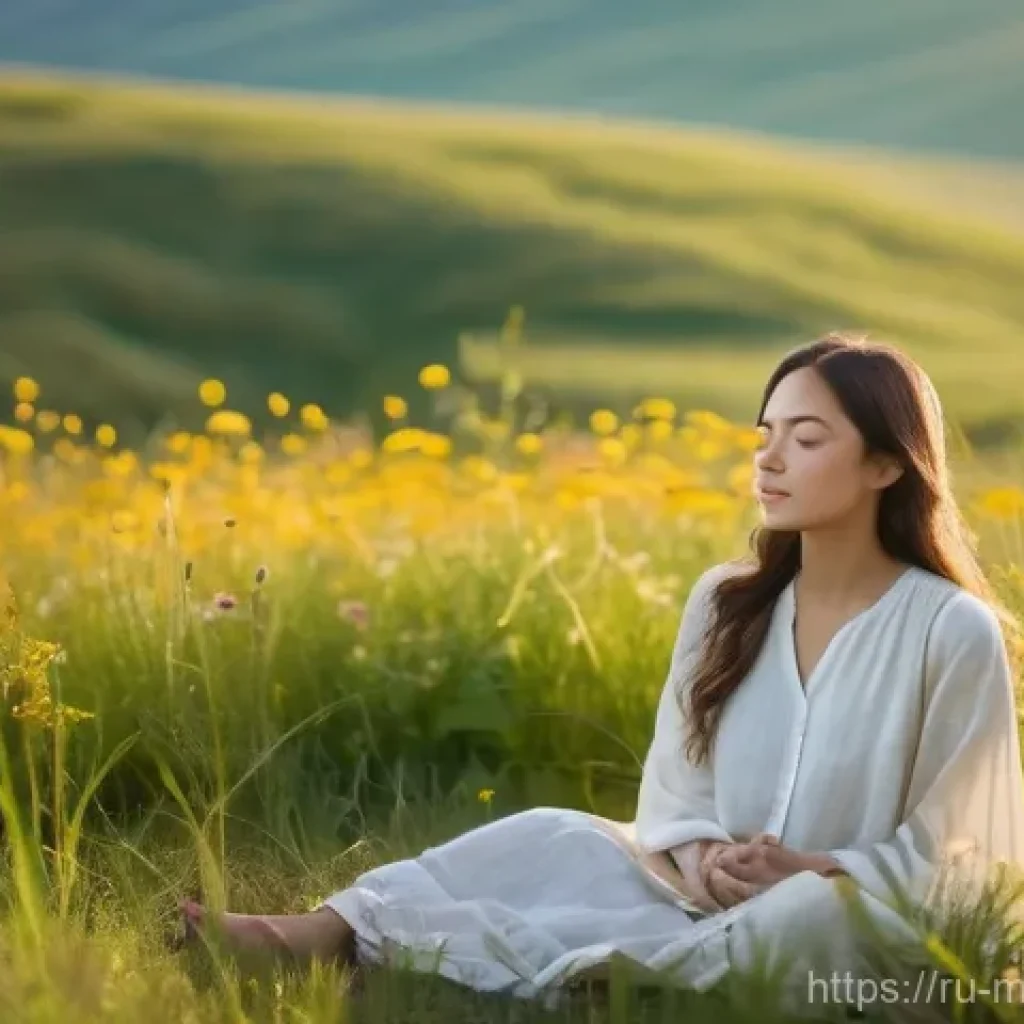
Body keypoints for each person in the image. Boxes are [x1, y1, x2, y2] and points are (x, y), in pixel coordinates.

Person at [180, 333, 1024, 1011]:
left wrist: (811, 871)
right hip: (699, 895)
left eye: (805, 440)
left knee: (809, 919)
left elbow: (967, 853)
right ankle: (315, 939)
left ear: (887, 466)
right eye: (763, 437)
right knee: (558, 834)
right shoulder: (726, 601)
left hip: (850, 920)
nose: (768, 461)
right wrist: (705, 860)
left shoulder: (950, 630)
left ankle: (583, 981)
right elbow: (677, 791)